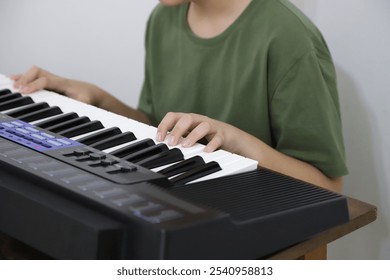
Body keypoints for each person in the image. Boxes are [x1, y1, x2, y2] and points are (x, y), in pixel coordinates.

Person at [11, 0, 348, 193]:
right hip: (180, 199)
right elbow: (160, 129)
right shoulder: (164, 16)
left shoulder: (289, 36)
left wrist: (236, 140)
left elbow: (330, 188)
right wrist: (98, 99)